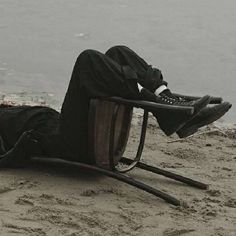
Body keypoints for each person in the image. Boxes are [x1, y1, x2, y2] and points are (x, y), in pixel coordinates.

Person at [0, 46, 232, 168]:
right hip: (66, 143)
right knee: (88, 59)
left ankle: (165, 98)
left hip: (67, 127)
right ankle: (164, 108)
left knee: (118, 52)